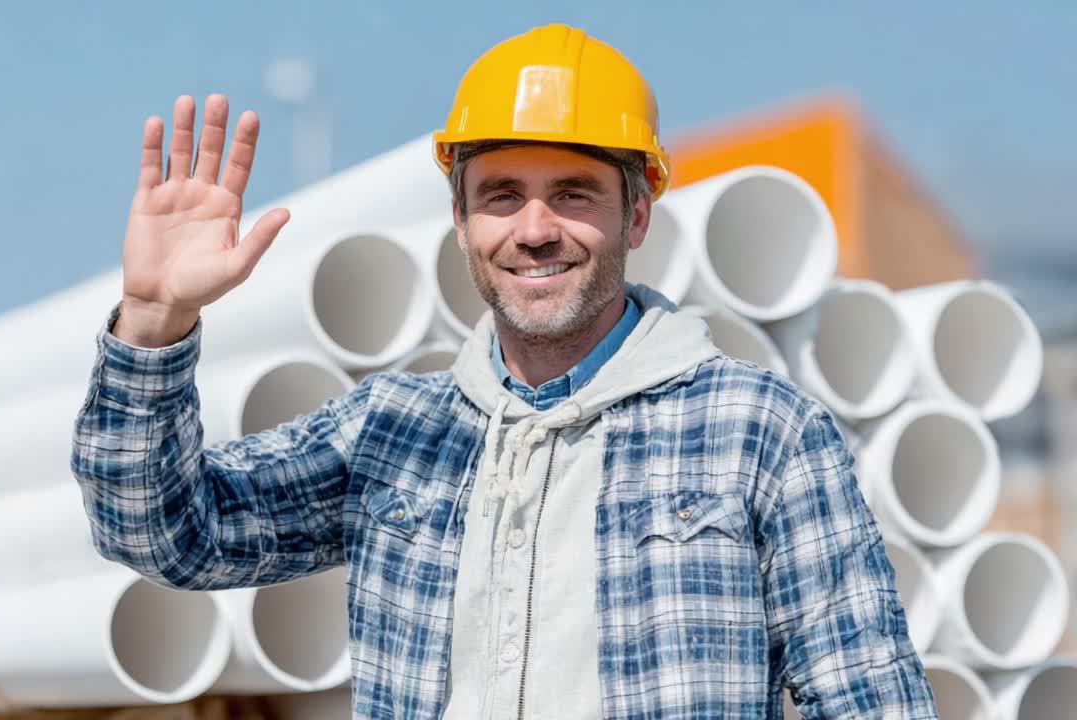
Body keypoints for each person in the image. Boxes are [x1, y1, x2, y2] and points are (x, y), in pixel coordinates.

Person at [72, 23, 937, 720]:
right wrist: (156, 319)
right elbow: (163, 533)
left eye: (573, 193)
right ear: (459, 219)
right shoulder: (393, 434)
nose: (534, 229)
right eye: (501, 194)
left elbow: (870, 698)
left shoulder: (758, 431)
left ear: (637, 214)